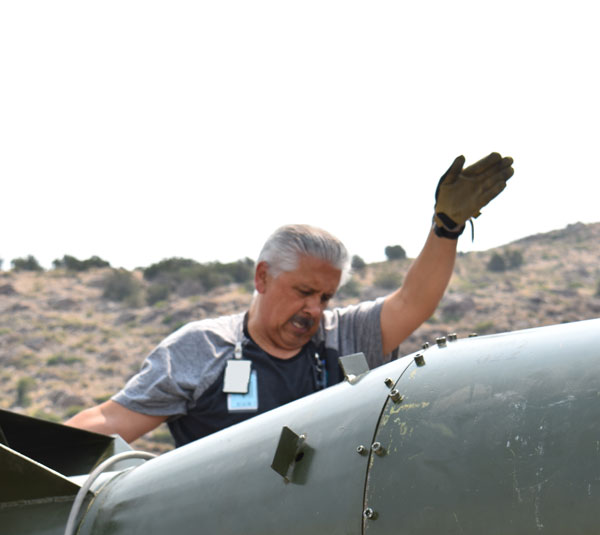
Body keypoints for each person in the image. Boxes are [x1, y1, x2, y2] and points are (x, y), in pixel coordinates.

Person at [66, 152, 513, 446]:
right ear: (262, 277)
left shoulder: (347, 337)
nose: (314, 310)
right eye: (303, 292)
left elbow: (412, 302)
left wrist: (446, 226)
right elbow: (110, 422)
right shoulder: (201, 350)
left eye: (325, 296)